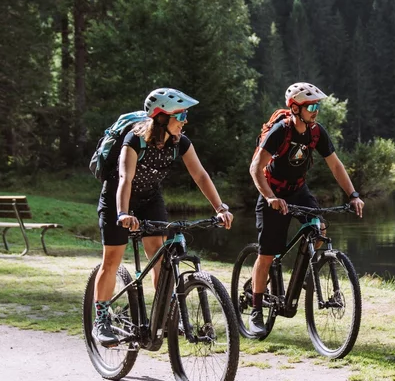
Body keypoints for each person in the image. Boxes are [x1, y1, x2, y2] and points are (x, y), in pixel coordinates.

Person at [92, 88, 233, 346]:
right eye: (180, 115)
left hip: (149, 198)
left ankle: (167, 315)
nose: (185, 120)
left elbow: (200, 175)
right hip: (118, 197)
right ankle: (101, 319)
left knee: (159, 253)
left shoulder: (180, 141)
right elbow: (126, 178)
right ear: (161, 118)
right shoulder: (134, 141)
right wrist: (123, 213)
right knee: (112, 258)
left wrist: (219, 207)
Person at [248, 82, 364, 334]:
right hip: (273, 192)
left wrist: (353, 194)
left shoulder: (316, 132)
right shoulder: (280, 131)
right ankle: (256, 309)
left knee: (319, 228)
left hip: (298, 190)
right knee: (267, 255)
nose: (316, 111)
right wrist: (269, 197)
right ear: (295, 108)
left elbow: (335, 165)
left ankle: (304, 271)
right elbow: (255, 168)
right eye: (311, 106)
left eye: (317, 106)